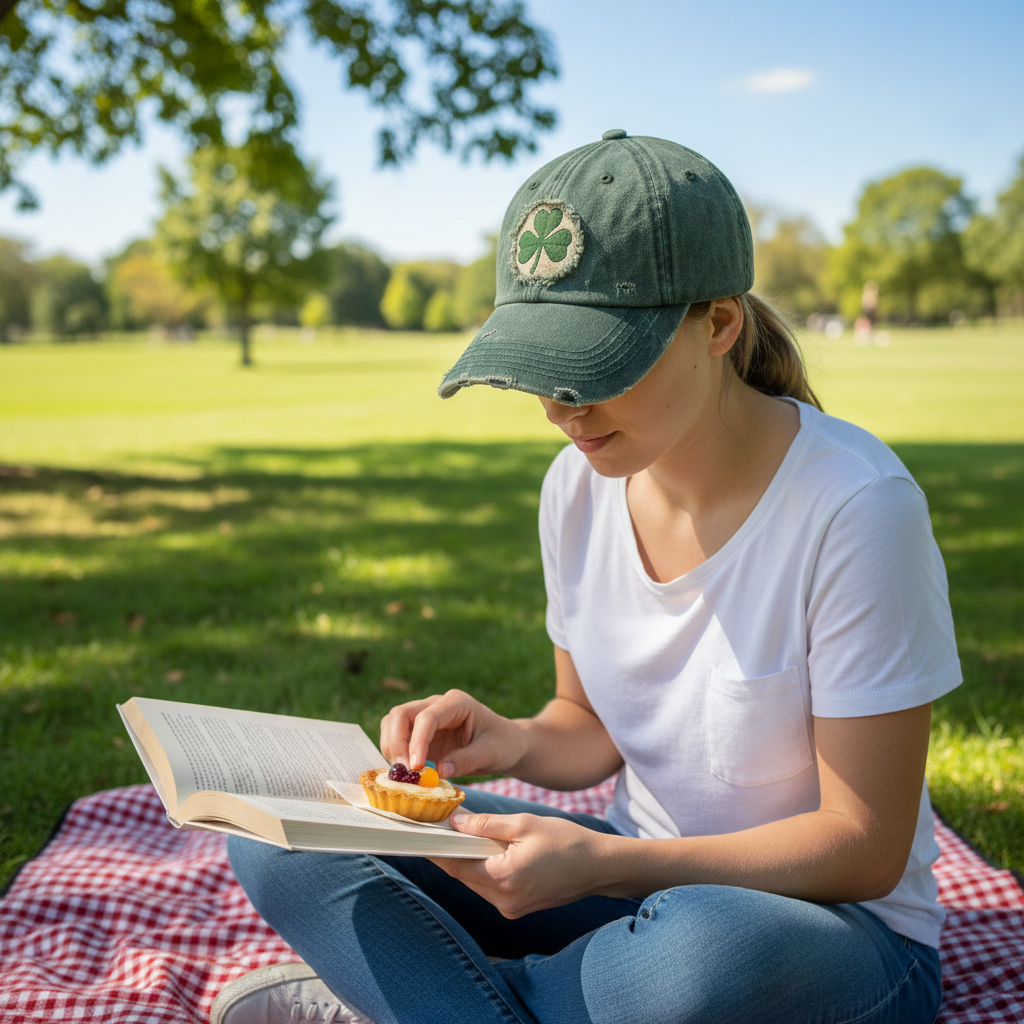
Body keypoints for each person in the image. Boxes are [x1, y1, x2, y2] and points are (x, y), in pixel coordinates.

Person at [214, 131, 961, 1024]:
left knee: (696, 961)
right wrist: (514, 740)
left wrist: (607, 864)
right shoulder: (577, 486)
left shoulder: (856, 505)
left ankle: (419, 1000)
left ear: (719, 324)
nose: (563, 407)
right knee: (287, 831)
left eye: (597, 363)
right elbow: (589, 728)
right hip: (627, 879)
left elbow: (865, 845)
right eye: (542, 366)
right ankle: (481, 1004)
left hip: (827, 933)